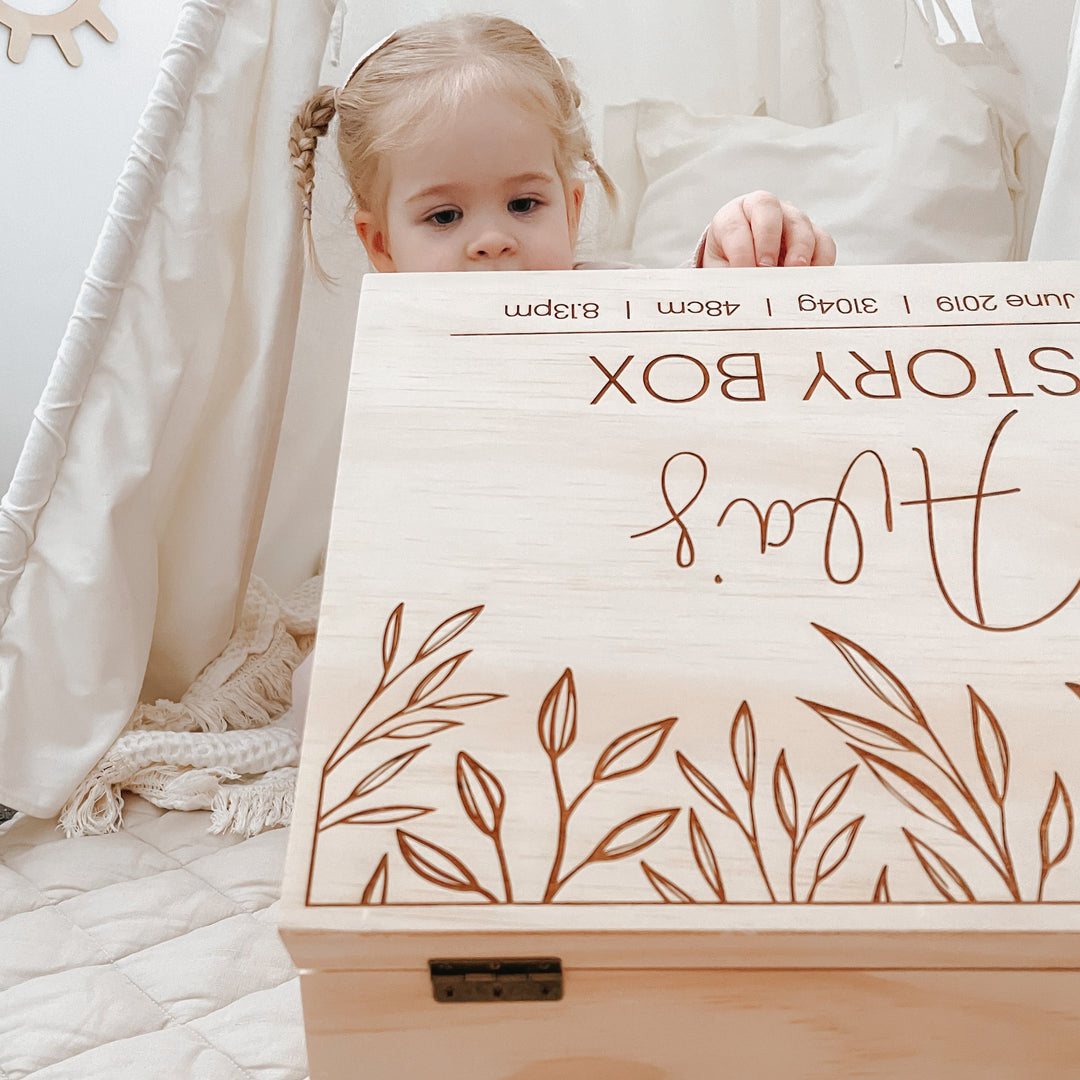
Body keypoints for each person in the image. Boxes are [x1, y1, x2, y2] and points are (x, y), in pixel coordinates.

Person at [288, 13, 836, 276]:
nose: (493, 240)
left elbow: (687, 326)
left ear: (572, 212)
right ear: (380, 244)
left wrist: (737, 261)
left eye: (524, 204)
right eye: (445, 215)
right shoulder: (388, 359)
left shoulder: (607, 297)